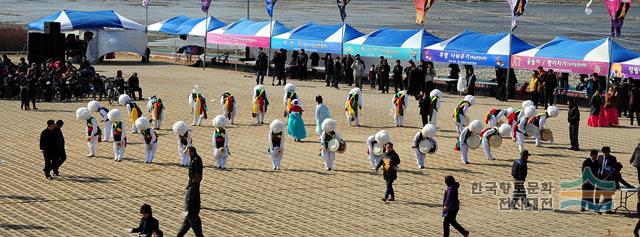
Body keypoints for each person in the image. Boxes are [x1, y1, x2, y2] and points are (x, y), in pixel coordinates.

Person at [177, 146, 204, 237]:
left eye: (188, 152)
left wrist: (188, 211)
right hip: (190, 215)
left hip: (192, 215)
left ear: (191, 152)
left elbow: (190, 200)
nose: (187, 153)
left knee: (198, 234)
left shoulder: (192, 188)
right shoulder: (195, 158)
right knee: (181, 233)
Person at [596, 146, 617, 214]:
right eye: (605, 152)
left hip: (608, 179)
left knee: (608, 195)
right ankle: (604, 209)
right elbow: (598, 167)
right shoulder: (600, 157)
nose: (606, 154)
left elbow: (613, 170)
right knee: (606, 195)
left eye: (607, 152)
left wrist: (607, 178)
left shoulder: (613, 158)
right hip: (600, 178)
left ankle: (606, 209)